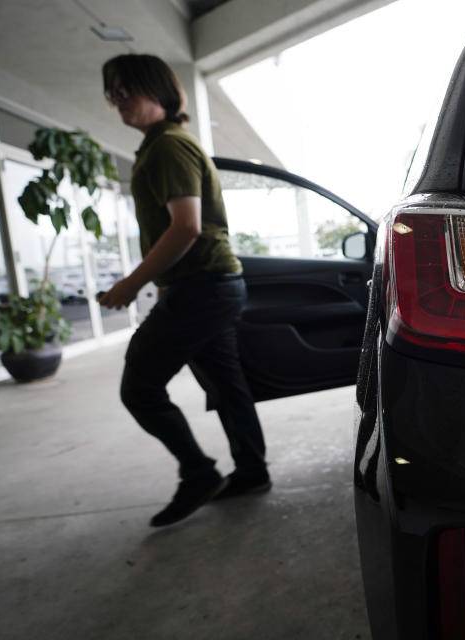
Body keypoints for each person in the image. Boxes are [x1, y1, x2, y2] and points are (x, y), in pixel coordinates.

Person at [100, 54, 271, 527]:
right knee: (226, 386)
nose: (116, 100)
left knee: (140, 386)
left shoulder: (168, 147)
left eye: (124, 89)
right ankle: (252, 471)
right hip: (209, 286)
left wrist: (130, 284)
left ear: (156, 90)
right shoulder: (161, 145)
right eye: (110, 92)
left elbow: (186, 227)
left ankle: (198, 472)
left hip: (200, 288)